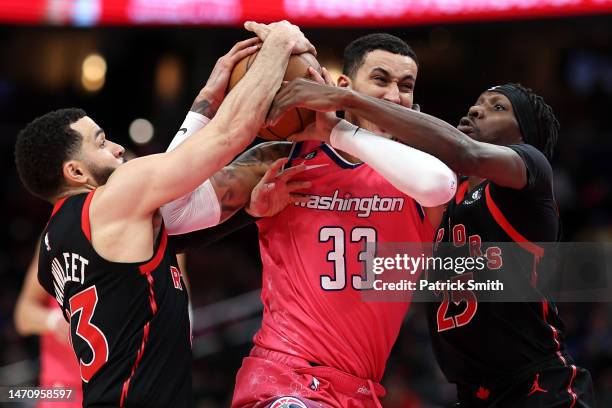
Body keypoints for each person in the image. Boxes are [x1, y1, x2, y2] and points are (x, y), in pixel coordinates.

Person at [13, 21, 315, 407]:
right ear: (75, 172)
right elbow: (230, 137)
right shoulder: (111, 201)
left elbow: (176, 203)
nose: (119, 148)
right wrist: (280, 43)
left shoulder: (54, 247)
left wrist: (207, 97)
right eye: (102, 143)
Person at [161, 32, 457, 408]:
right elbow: (171, 213)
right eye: (380, 80)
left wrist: (337, 130)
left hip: (361, 390)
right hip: (286, 378)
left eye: (406, 86)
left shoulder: (419, 169)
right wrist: (205, 106)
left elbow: (438, 184)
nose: (394, 96)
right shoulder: (283, 158)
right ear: (342, 87)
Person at [269, 78, 595, 406]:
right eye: (478, 102)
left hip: (539, 387)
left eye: (497, 108)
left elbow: (463, 152)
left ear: (523, 135)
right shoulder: (441, 198)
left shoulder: (530, 174)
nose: (476, 110)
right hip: (474, 395)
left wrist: (346, 100)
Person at [14, 243, 82, 408]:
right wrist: (54, 321)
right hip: (65, 390)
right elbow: (23, 314)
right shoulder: (58, 232)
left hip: (117, 384)